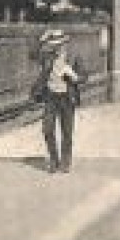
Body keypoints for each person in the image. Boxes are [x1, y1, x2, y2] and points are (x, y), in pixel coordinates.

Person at [36, 29, 83, 173]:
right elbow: (31, 54)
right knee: (47, 129)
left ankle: (65, 162)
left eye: (60, 44)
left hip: (67, 98)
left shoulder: (74, 57)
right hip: (51, 97)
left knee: (67, 132)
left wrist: (73, 75)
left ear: (65, 44)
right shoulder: (47, 57)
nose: (57, 47)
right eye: (54, 44)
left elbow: (84, 76)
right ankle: (54, 160)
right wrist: (41, 39)